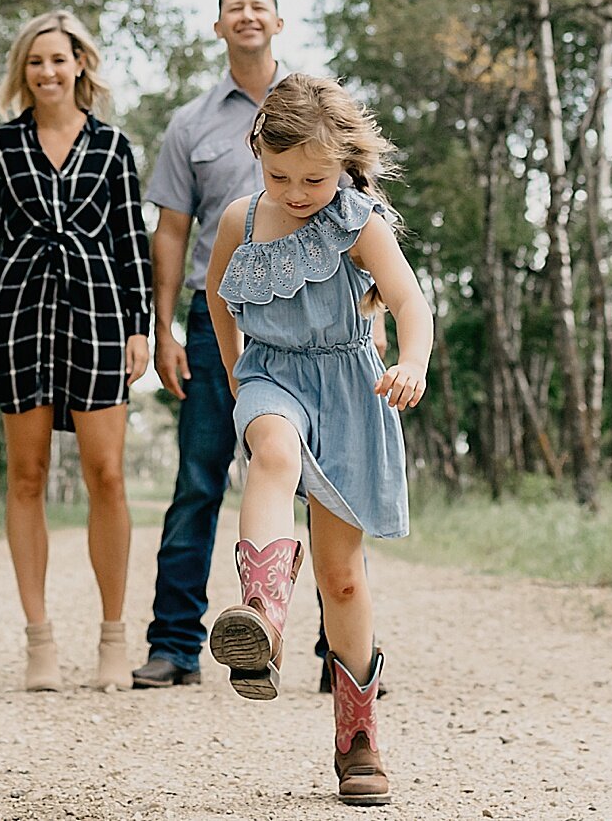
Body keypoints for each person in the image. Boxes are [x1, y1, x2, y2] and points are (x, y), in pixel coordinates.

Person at [204, 75, 432, 807]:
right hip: (272, 375)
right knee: (271, 454)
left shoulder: (359, 222)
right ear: (257, 155)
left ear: (341, 162)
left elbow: (407, 298)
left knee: (343, 578)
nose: (297, 191)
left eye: (314, 176)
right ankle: (262, 616)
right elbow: (215, 291)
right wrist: (237, 367)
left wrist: (412, 358)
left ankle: (357, 737)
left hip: (350, 387)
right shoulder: (243, 217)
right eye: (280, 175)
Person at [0, 9, 153, 692]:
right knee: (27, 475)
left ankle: (112, 635)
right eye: (35, 61)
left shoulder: (112, 146)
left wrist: (140, 324)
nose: (47, 71)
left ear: (80, 65)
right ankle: (39, 639)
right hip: (19, 315)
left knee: (107, 474)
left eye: (59, 59)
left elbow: (132, 239)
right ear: (24, 70)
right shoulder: (0, 146)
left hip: (99, 312)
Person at [131, 0, 287, 687]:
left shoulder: (314, 108)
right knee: (198, 479)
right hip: (211, 316)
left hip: (307, 319)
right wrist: (161, 326)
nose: (247, 15)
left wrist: (370, 314)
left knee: (317, 484)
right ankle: (173, 645)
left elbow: (359, 211)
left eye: (258, 4)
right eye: (235, 7)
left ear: (277, 21)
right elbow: (170, 231)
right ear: (218, 25)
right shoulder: (190, 123)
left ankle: (329, 650)